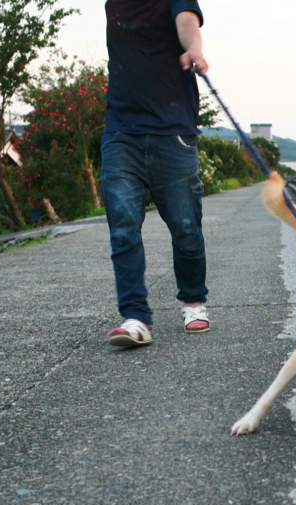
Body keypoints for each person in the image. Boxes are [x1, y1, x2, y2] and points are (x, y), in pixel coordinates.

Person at [103, 0, 210, 347]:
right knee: (123, 226)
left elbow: (186, 21)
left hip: (172, 129)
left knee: (185, 227)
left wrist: (193, 47)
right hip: (121, 130)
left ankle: (193, 301)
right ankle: (135, 317)